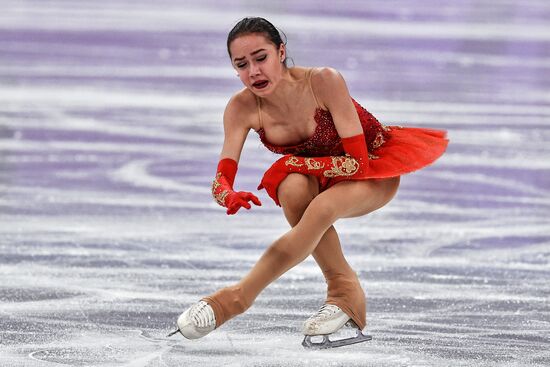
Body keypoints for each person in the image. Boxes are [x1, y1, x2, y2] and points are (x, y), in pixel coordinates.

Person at [169, 17, 448, 348]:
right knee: (292, 188)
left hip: (372, 171)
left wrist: (290, 162)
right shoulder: (241, 107)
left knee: (320, 206)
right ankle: (345, 290)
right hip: (321, 177)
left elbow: (356, 163)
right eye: (242, 65)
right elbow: (221, 178)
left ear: (281, 52)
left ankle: (237, 298)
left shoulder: (323, 81)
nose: (253, 72)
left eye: (261, 58)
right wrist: (228, 194)